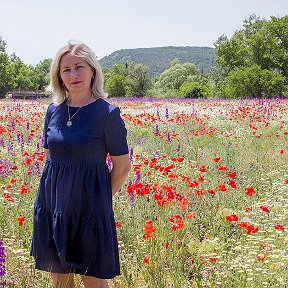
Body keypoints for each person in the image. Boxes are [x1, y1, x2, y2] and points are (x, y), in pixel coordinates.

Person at [30, 41, 131, 288]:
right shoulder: (53, 112)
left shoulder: (107, 114)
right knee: (60, 282)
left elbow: (122, 166)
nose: (73, 75)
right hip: (54, 205)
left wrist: (101, 198)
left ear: (92, 70)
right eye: (66, 70)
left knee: (94, 282)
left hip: (90, 210)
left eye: (79, 67)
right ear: (58, 76)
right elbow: (51, 158)